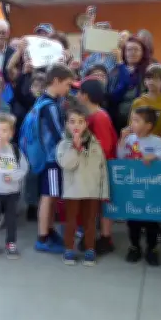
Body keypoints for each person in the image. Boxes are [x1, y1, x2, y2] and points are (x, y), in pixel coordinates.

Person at [118, 106, 161, 266]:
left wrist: (155, 156)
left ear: (149, 125)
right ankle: (134, 247)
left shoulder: (156, 141)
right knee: (133, 221)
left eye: (137, 120)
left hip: (151, 191)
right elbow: (121, 156)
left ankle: (152, 249)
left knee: (152, 222)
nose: (132, 123)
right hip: (134, 188)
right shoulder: (130, 140)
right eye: (132, 120)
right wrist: (122, 141)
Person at [56, 104, 109, 266]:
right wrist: (75, 148)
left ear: (86, 123)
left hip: (92, 189)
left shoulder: (95, 143)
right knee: (71, 221)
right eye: (72, 122)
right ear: (66, 124)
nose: (76, 125)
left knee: (90, 221)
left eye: (80, 122)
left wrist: (104, 192)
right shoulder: (64, 144)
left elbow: (102, 169)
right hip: (73, 190)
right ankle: (69, 249)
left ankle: (89, 248)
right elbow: (66, 164)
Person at [33, 65, 74, 254]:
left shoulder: (43, 100)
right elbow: (59, 134)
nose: (68, 88)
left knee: (50, 195)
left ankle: (49, 231)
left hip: (47, 157)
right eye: (67, 84)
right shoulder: (49, 106)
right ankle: (43, 236)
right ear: (56, 81)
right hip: (51, 159)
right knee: (48, 197)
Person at [74, 78, 117, 254]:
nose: (76, 95)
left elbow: (104, 147)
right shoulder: (94, 115)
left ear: (85, 96)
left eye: (78, 92)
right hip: (95, 167)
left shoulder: (99, 117)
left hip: (100, 168)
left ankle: (106, 238)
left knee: (100, 203)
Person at [0, 113, 28, 259]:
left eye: (4, 130)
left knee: (11, 219)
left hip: (11, 191)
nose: (0, 134)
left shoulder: (15, 150)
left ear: (11, 133)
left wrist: (13, 177)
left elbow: (24, 168)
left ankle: (11, 242)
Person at [107, 36, 151, 131]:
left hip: (140, 122)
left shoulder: (147, 72)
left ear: (142, 53)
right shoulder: (115, 71)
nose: (132, 53)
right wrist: (121, 66)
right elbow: (113, 97)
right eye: (129, 50)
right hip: (117, 121)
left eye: (136, 50)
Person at [131, 65, 161, 142]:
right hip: (139, 143)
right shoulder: (138, 102)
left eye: (156, 79)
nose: (151, 81)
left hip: (160, 146)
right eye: (148, 78)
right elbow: (131, 125)